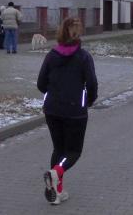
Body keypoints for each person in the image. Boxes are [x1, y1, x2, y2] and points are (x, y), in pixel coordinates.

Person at [37, 17, 98, 206]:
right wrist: (89, 100)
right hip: (75, 111)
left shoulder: (51, 55)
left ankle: (57, 192)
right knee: (73, 151)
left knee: (59, 149)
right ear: (79, 33)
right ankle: (56, 173)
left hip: (52, 109)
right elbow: (92, 83)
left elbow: (40, 83)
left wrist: (52, 93)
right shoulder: (84, 57)